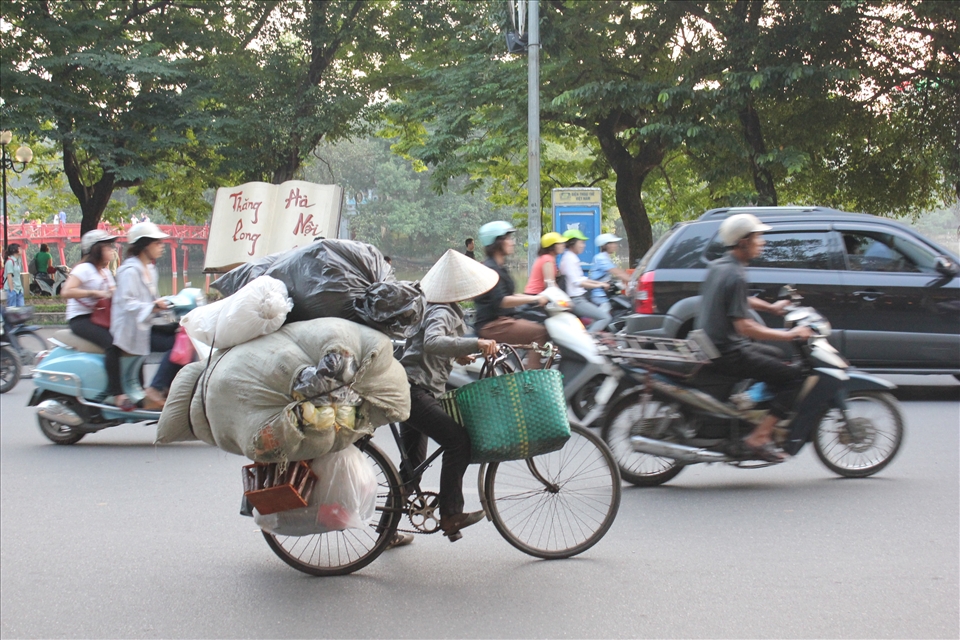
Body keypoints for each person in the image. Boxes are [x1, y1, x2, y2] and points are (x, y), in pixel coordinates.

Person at [397, 249, 500, 546]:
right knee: (458, 441)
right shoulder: (443, 310)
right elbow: (432, 342)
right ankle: (451, 514)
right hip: (416, 391)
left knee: (411, 466)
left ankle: (386, 531)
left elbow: (427, 349)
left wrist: (459, 354)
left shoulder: (435, 306)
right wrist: (476, 343)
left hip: (411, 386)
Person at [694, 213, 814, 462]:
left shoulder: (720, 266)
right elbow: (744, 326)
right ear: (742, 242)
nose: (763, 242)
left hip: (711, 345)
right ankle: (759, 436)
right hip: (726, 352)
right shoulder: (735, 274)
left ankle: (748, 402)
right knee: (794, 377)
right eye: (757, 237)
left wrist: (771, 308)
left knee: (777, 357)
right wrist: (789, 334)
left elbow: (741, 301)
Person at [111, 222, 184, 410]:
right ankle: (155, 388)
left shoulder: (150, 269)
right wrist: (153, 306)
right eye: (157, 243)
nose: (161, 247)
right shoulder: (129, 271)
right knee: (177, 345)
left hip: (146, 325)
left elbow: (153, 300)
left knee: (184, 339)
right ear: (144, 245)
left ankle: (168, 388)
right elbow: (128, 303)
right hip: (132, 329)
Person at [472, 221, 549, 370]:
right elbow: (502, 300)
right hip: (493, 324)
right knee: (539, 333)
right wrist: (534, 298)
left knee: (538, 321)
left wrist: (539, 296)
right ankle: (532, 382)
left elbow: (510, 295)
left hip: (504, 320)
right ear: (497, 242)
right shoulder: (491, 269)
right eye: (508, 238)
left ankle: (523, 368)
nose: (512, 242)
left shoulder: (498, 266)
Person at [61, 230, 124, 404]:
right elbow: (66, 291)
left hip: (102, 316)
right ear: (96, 249)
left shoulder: (105, 272)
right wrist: (93, 292)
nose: (112, 250)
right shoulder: (84, 269)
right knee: (112, 345)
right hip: (82, 319)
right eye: (107, 246)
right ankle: (115, 391)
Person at [558, 229, 612, 333]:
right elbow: (578, 282)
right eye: (581, 242)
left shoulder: (572, 257)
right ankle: (589, 341)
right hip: (576, 300)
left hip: (580, 298)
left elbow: (582, 278)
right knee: (604, 317)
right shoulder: (569, 259)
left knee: (595, 319)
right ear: (573, 244)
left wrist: (599, 283)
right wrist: (599, 286)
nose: (583, 245)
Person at [589, 233, 631, 310]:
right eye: (613, 243)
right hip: (599, 296)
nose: (616, 245)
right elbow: (617, 272)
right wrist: (633, 280)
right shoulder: (601, 258)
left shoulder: (605, 257)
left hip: (605, 293)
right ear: (606, 245)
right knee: (605, 317)